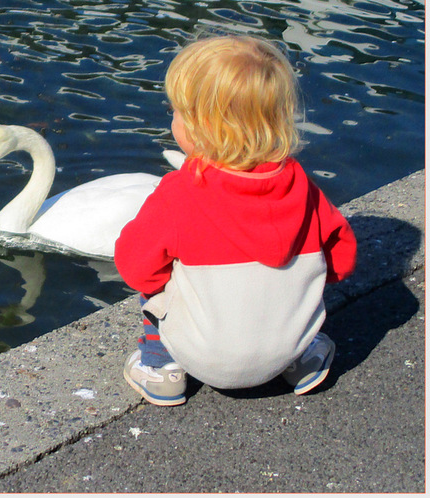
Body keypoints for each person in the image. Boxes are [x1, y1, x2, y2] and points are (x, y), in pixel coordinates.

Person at [114, 35, 356, 406]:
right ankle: (303, 361)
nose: (172, 119)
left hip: (205, 358)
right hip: (289, 346)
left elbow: (134, 269)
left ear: (202, 127)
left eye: (177, 111)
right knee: (303, 272)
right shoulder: (303, 187)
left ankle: (161, 369)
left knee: (155, 283)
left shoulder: (179, 192)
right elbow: (342, 260)